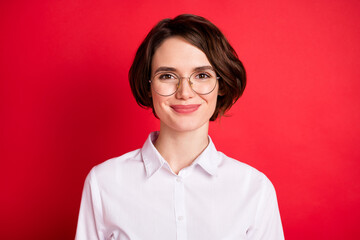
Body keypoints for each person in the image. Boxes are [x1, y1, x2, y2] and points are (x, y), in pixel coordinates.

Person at [75, 14, 284, 240]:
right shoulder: (104, 183)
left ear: (221, 84)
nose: (184, 92)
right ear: (148, 86)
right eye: (167, 76)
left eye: (202, 75)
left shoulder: (254, 189)